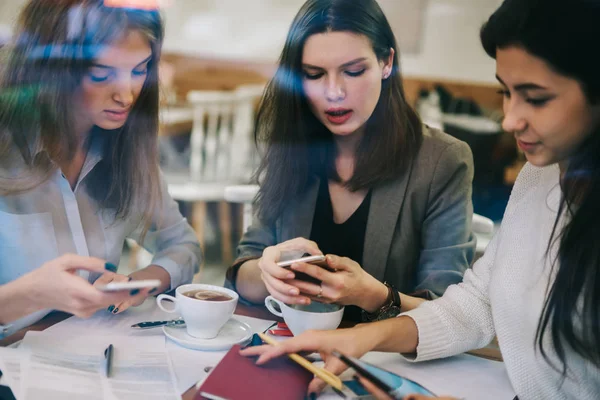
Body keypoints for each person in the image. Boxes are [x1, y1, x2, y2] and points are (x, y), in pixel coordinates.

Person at [241, 0, 600, 399]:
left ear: (386, 63)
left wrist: (372, 304)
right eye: (504, 92)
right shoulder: (539, 176)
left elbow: (452, 300)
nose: (508, 120)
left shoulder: (440, 159)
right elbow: (475, 306)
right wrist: (358, 339)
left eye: (535, 98)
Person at [226, 0, 475, 323]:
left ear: (387, 63)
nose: (334, 92)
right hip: (294, 350)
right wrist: (266, 272)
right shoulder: (293, 146)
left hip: (386, 362)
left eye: (353, 71)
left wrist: (373, 295)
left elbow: (452, 313)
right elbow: (241, 274)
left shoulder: (441, 161)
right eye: (314, 75)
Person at [0, 0, 201, 338]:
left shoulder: (126, 152)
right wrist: (31, 293)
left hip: (93, 349)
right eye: (102, 74)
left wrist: (136, 283)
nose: (127, 95)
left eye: (139, 70)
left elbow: (183, 245)